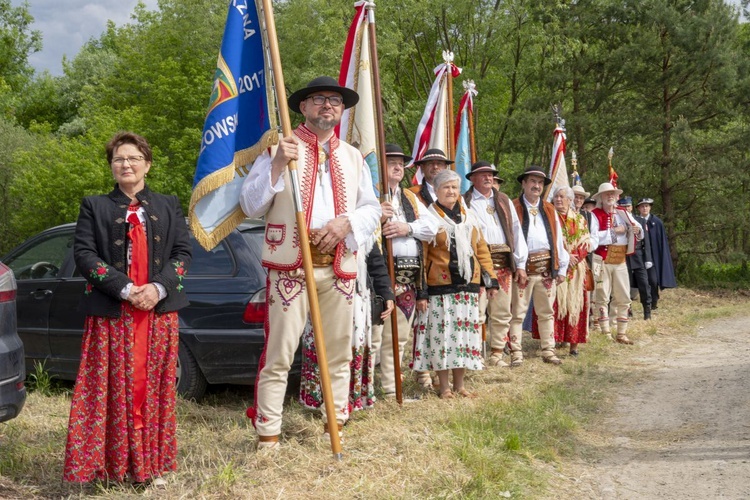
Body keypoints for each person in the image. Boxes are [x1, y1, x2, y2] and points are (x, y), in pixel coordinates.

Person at [239, 76, 381, 448]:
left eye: (335, 101)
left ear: (343, 110)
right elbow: (250, 206)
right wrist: (275, 167)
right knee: (280, 353)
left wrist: (345, 223)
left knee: (338, 351)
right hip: (290, 266)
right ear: (303, 107)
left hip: (338, 266)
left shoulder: (352, 157)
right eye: (318, 99)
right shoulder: (278, 150)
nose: (327, 106)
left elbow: (372, 210)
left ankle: (336, 422)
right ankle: (268, 433)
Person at [64, 132, 192, 484]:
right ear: (111, 167)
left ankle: (151, 465)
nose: (126, 164)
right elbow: (84, 255)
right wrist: (126, 288)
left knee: (150, 389)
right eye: (119, 159)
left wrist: (158, 287)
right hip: (113, 314)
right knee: (110, 390)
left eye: (134, 158)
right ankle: (109, 467)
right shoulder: (95, 206)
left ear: (147, 164)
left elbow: (183, 253)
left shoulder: (168, 204)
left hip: (158, 313)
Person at [412, 169, 497, 399]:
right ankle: (444, 386)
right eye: (446, 187)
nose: (451, 191)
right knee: (443, 338)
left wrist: (490, 279)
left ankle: (460, 385)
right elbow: (423, 256)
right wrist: (421, 291)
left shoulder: (470, 217)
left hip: (467, 287)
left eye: (454, 187)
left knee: (462, 338)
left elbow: (481, 249)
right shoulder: (429, 219)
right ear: (436, 191)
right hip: (440, 288)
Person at [372, 143, 438, 395]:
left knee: (398, 338)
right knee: (374, 337)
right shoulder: (370, 194)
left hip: (407, 276)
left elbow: (433, 227)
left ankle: (391, 390)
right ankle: (365, 390)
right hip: (378, 277)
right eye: (392, 162)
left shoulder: (410, 197)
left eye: (401, 162)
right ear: (380, 166)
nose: (398, 166)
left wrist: (406, 228)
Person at [299, 239, 394, 411]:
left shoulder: (363, 228)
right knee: (321, 344)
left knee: (351, 346)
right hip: (322, 295)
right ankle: (319, 400)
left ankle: (350, 401)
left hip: (356, 295)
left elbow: (376, 264)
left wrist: (386, 294)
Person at [463, 160, 528, 367]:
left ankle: (497, 353)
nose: (488, 177)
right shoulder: (464, 201)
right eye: (483, 174)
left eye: (490, 174)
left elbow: (516, 232)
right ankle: (476, 353)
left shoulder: (503, 200)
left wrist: (520, 264)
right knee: (477, 311)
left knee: (502, 311)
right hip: (477, 263)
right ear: (472, 178)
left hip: (503, 263)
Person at [507, 166, 569, 366]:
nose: (536, 186)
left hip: (546, 268)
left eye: (540, 183)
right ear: (524, 183)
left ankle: (548, 349)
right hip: (524, 268)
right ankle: (516, 351)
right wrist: (519, 265)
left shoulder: (550, 209)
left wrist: (560, 267)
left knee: (546, 311)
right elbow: (512, 239)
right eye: (532, 181)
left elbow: (558, 239)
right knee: (517, 311)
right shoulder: (513, 207)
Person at [532, 186, 591, 356]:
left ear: (570, 200)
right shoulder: (548, 219)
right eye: (556, 196)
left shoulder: (580, 220)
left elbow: (585, 242)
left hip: (575, 271)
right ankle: (552, 342)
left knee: (575, 305)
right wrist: (564, 256)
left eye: (562, 197)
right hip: (555, 266)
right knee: (552, 305)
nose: (558, 199)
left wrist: (575, 257)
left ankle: (573, 345)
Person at [590, 183, 643, 344]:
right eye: (606, 194)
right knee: (602, 295)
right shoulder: (594, 215)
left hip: (620, 260)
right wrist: (613, 232)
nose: (610, 196)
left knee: (624, 296)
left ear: (617, 196)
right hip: (603, 260)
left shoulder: (623, 213)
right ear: (600, 197)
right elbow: (593, 238)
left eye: (612, 193)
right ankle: (605, 331)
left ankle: (621, 333)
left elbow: (639, 227)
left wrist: (637, 231)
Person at [636, 197, 677, 309]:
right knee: (642, 282)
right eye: (642, 206)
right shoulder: (635, 221)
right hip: (639, 256)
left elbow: (661, 242)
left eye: (647, 206)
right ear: (639, 208)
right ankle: (646, 303)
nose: (645, 208)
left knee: (653, 280)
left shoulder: (656, 222)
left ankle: (654, 300)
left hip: (653, 257)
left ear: (650, 208)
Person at [619, 197, 652, 320]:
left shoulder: (639, 221)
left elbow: (646, 241)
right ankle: (628, 309)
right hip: (623, 256)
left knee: (644, 284)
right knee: (625, 284)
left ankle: (647, 311)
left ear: (632, 207)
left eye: (628, 206)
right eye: (623, 207)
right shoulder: (618, 220)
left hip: (638, 256)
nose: (626, 209)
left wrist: (648, 258)